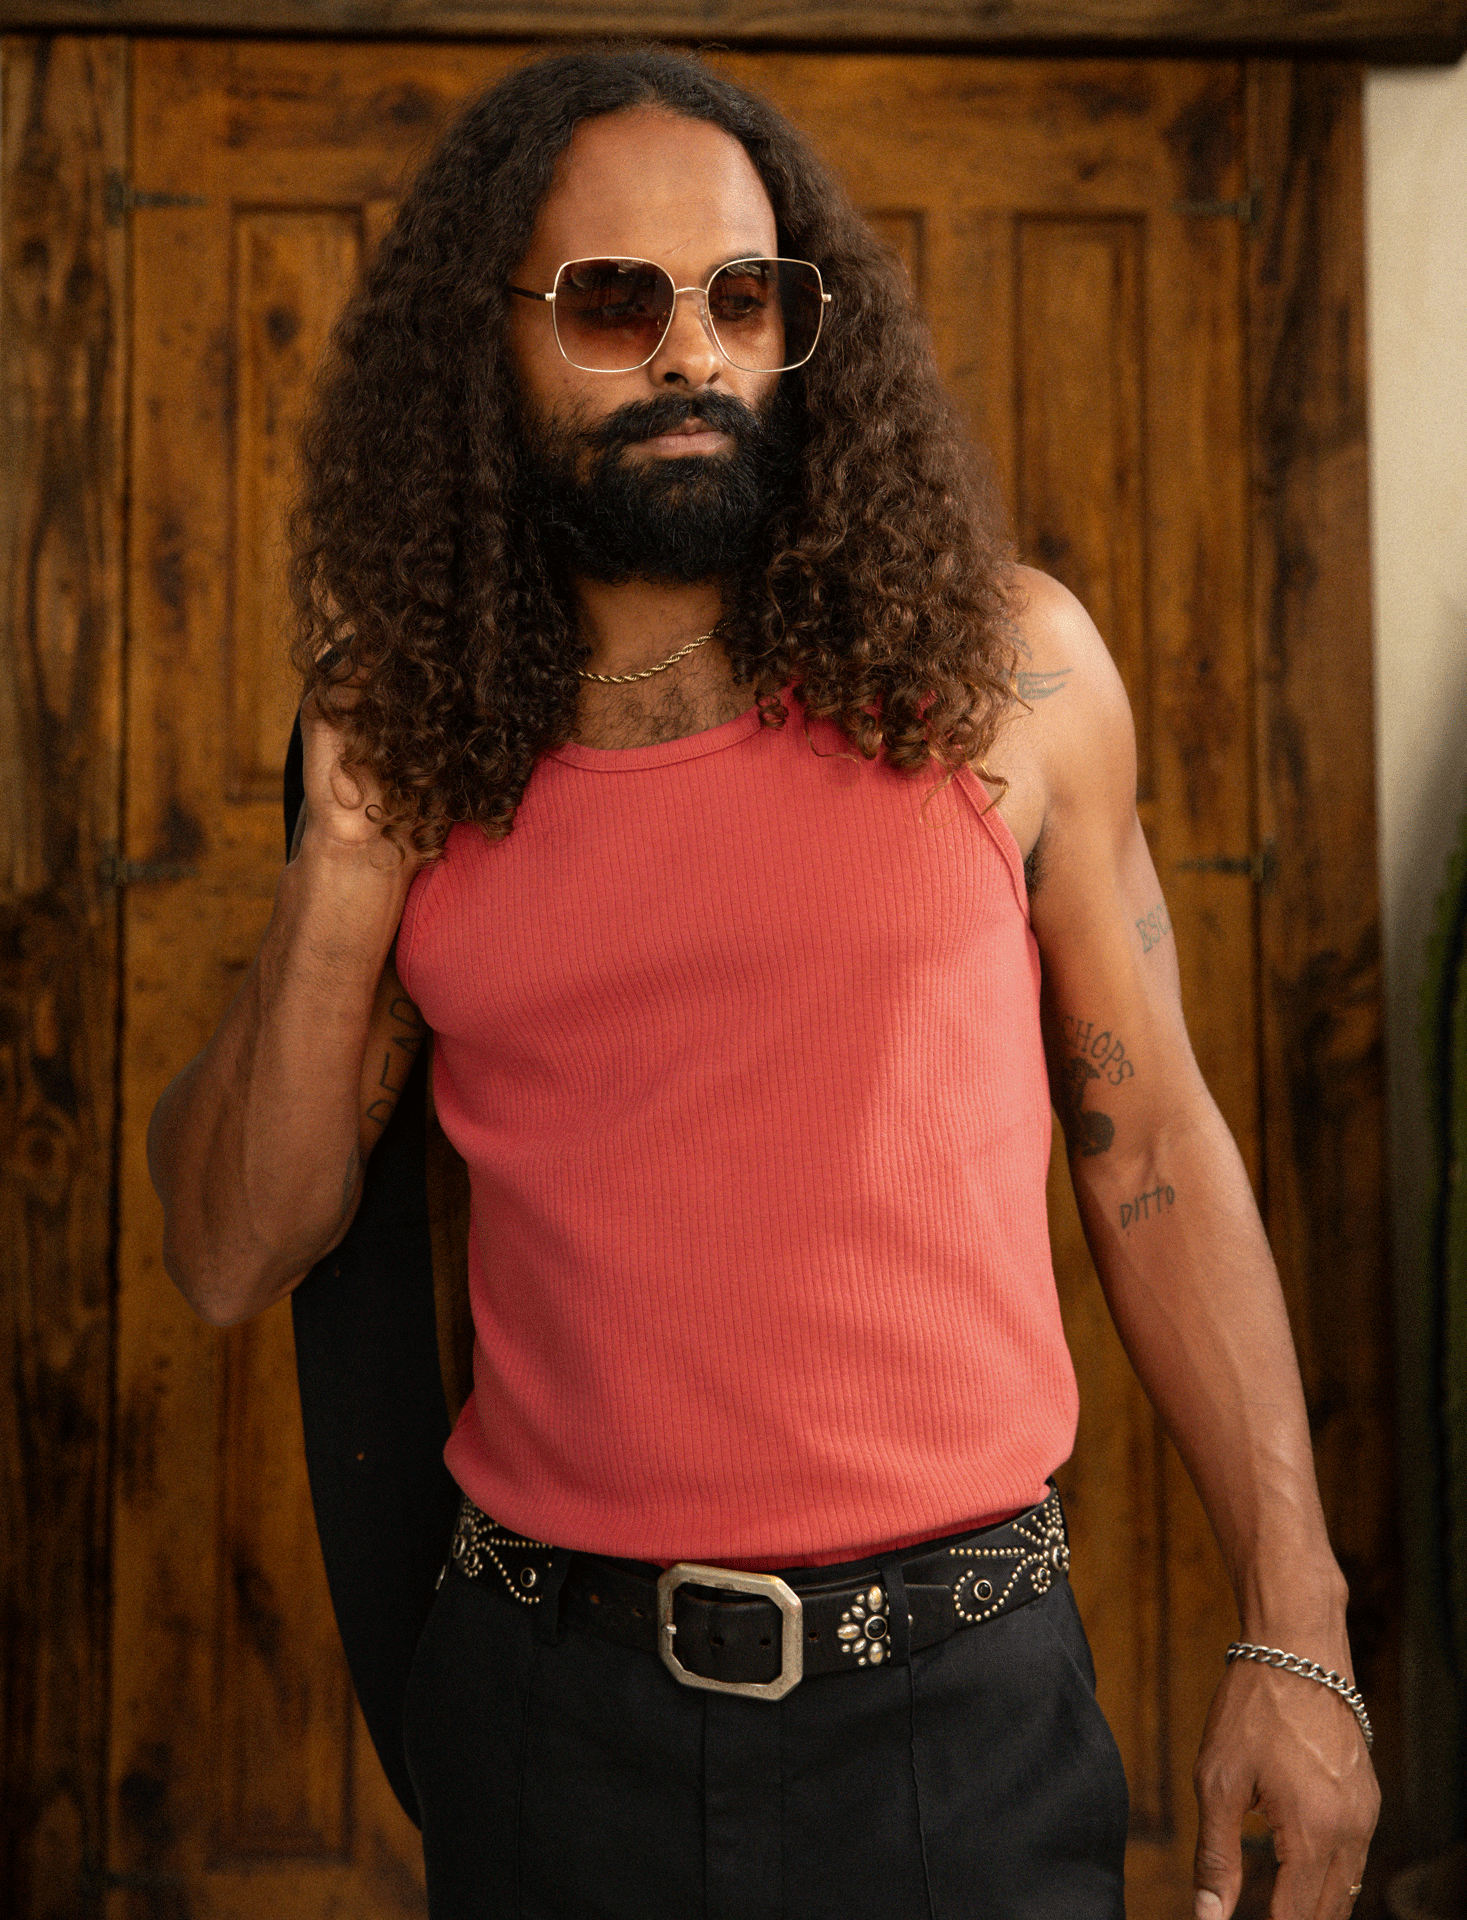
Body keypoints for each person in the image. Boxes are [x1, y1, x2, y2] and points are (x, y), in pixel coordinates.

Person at [147, 44, 1379, 1920]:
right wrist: (343, 863)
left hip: (959, 1720)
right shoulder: (427, 739)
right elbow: (235, 1252)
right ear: (487, 345)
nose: (693, 356)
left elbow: (1151, 1156)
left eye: (743, 299)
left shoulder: (1004, 678)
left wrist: (1299, 1625)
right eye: (613, 303)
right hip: (552, 1721)